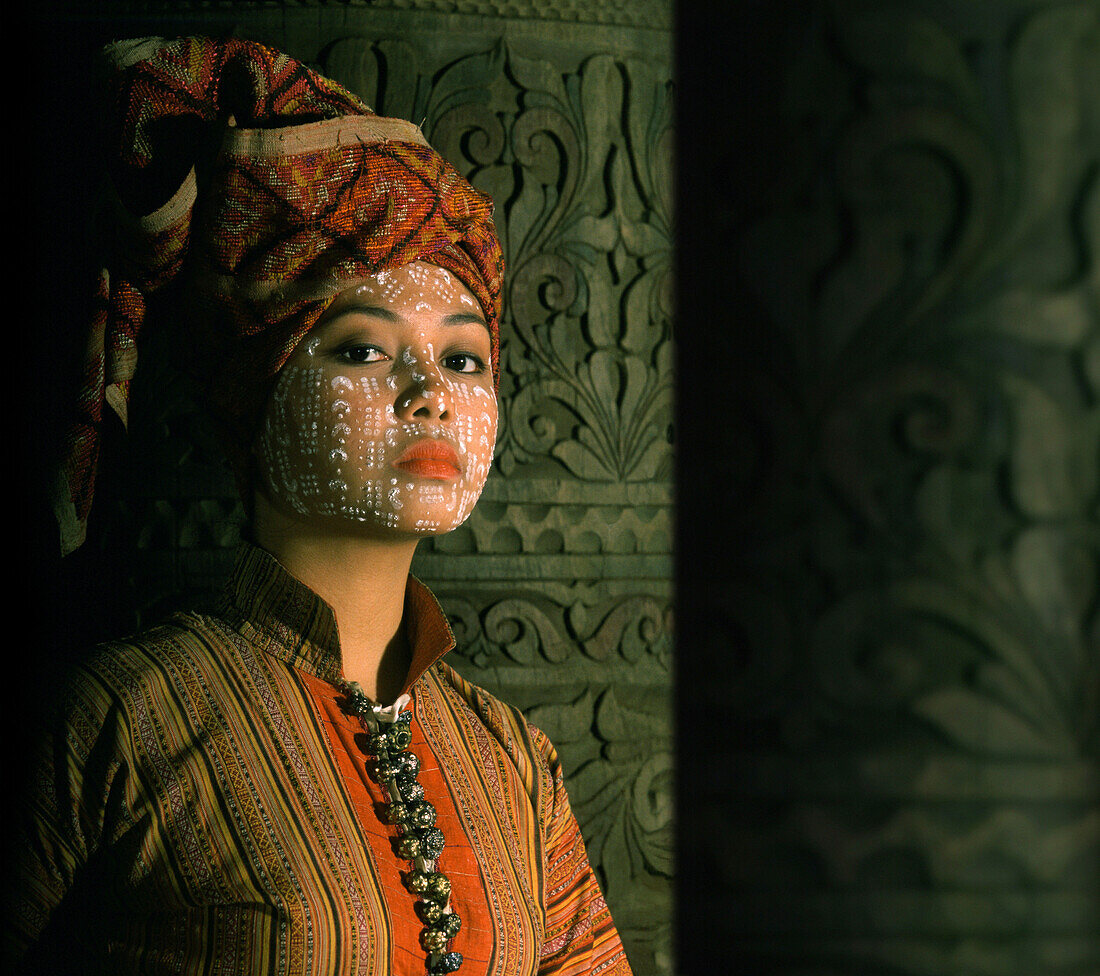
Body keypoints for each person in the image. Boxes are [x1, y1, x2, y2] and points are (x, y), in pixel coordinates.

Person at [7, 35, 633, 976]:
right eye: (363, 350)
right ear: (255, 397)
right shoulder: (119, 721)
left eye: (463, 357)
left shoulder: (512, 764)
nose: (433, 393)